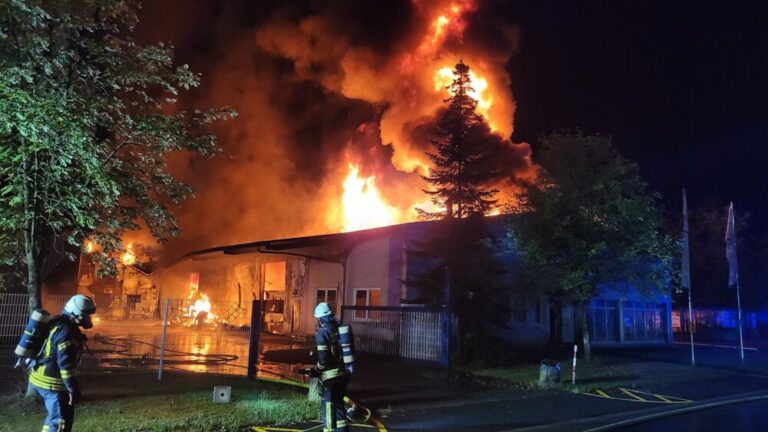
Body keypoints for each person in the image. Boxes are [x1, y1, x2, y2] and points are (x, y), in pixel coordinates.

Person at [30, 294, 96, 432]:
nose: (89, 319)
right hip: (52, 383)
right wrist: (73, 389)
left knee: (53, 419)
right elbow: (66, 367)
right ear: (77, 314)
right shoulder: (67, 333)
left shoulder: (58, 322)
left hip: (40, 376)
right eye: (87, 315)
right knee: (61, 422)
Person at [311, 302, 350, 432]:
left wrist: (316, 370)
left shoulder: (322, 333)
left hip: (330, 378)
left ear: (320, 318)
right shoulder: (339, 329)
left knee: (328, 408)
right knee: (339, 407)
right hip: (343, 375)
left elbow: (323, 362)